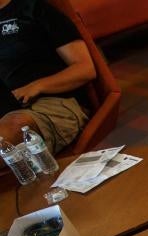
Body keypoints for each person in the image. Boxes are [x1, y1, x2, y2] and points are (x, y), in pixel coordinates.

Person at [0, 0, 95, 154]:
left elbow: (85, 68)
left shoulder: (34, 8)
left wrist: (37, 86)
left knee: (13, 127)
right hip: (9, 108)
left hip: (53, 103)